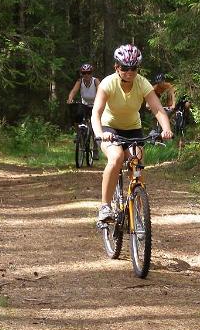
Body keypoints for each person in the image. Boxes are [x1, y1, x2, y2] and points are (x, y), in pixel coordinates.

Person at [91, 44, 173, 222]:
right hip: (108, 128)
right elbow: (96, 112)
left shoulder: (142, 83)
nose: (129, 72)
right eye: (125, 68)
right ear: (117, 67)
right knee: (116, 157)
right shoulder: (108, 83)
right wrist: (100, 133)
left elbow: (158, 109)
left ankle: (139, 212)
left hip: (133, 129)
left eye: (133, 68)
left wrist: (166, 128)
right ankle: (105, 206)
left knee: (136, 162)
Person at [67, 63, 100, 159]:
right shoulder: (80, 81)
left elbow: (101, 91)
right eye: (84, 73)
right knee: (76, 116)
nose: (86, 75)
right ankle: (79, 136)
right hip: (84, 104)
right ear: (82, 74)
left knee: (94, 126)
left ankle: (95, 149)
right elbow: (73, 91)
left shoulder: (95, 81)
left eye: (88, 73)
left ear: (91, 73)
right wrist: (70, 99)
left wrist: (100, 101)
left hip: (95, 105)